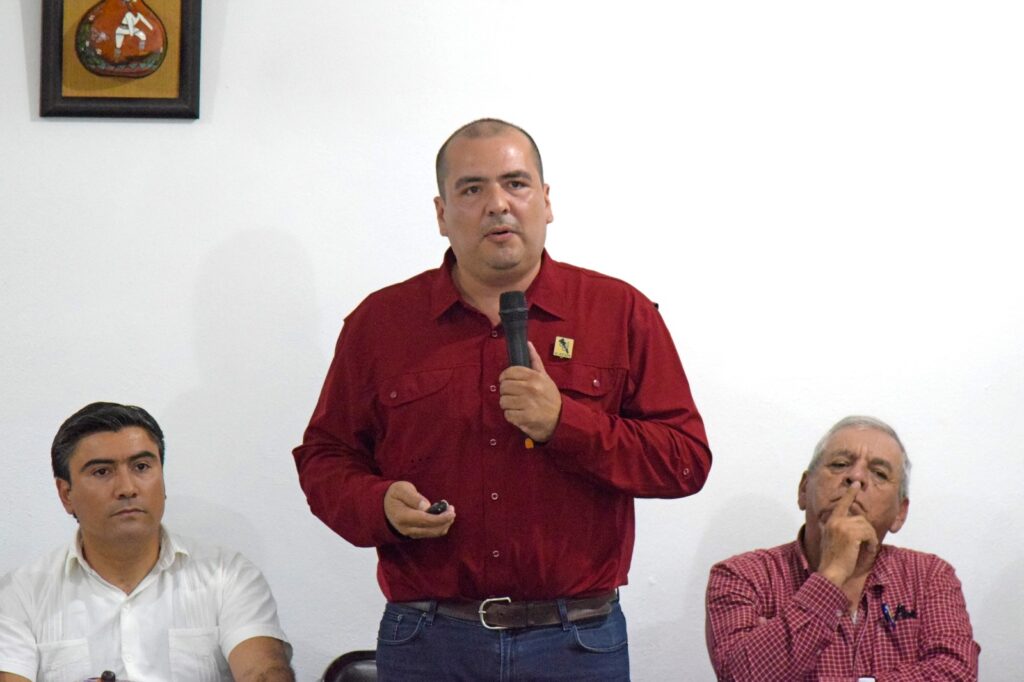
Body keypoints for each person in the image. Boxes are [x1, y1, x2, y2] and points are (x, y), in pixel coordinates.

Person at [293, 118, 712, 680]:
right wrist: (378, 505)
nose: (498, 204)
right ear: (442, 214)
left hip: (577, 642)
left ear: (546, 200)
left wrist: (565, 422)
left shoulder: (619, 313)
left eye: (516, 184)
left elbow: (685, 460)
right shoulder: (381, 324)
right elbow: (325, 458)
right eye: (472, 189)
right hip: (429, 641)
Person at [0, 402, 294, 682]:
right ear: (66, 494)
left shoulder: (228, 574)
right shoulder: (21, 594)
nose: (127, 488)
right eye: (102, 472)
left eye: (141, 467)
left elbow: (262, 672)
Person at [705, 416, 980, 681]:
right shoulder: (742, 576)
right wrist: (832, 574)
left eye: (879, 473)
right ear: (804, 490)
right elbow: (739, 676)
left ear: (900, 513)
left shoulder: (929, 576)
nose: (856, 478)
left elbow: (956, 673)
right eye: (839, 465)